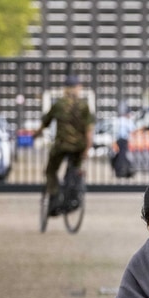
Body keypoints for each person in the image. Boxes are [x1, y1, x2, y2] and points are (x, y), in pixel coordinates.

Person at [35, 75, 94, 214]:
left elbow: (44, 124)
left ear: (65, 89)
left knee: (51, 170)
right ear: (78, 88)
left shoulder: (58, 104)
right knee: (75, 168)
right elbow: (89, 131)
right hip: (79, 146)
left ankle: (54, 199)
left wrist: (35, 135)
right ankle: (73, 196)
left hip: (61, 146)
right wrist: (87, 147)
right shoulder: (84, 106)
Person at [113, 105, 135, 178]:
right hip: (124, 140)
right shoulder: (127, 120)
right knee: (123, 155)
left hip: (118, 140)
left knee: (120, 155)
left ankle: (120, 170)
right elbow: (132, 130)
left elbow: (114, 131)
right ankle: (123, 170)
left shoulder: (119, 120)